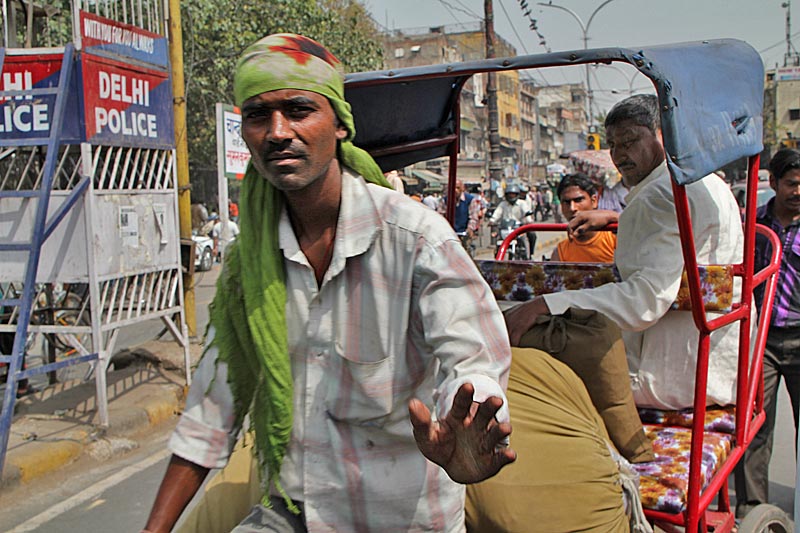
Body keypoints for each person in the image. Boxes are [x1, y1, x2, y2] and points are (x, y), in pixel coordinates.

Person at [142, 33, 514, 533]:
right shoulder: (249, 263)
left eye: (299, 110)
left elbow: (472, 358)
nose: (278, 132)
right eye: (258, 115)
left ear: (340, 125)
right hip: (292, 512)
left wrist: (466, 427)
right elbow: (212, 412)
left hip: (398, 521)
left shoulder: (416, 239)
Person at [504, 94, 744, 410]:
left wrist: (545, 305)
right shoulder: (706, 182)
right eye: (613, 145)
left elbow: (643, 302)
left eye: (630, 141)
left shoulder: (659, 196)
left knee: (533, 378)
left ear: (664, 135)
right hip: (718, 366)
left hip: (669, 378)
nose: (619, 155)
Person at [735, 148, 800, 518]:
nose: (798, 191)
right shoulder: (752, 224)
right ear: (773, 183)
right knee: (755, 424)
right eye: (792, 183)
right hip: (761, 340)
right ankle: (752, 509)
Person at [550, 173, 617, 263]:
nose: (572, 208)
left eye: (578, 200)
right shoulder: (560, 252)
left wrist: (611, 216)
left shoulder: (614, 239)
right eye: (566, 202)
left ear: (594, 201)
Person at [490, 183, 534, 258]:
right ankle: (498, 256)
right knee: (498, 239)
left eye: (513, 194)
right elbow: (497, 213)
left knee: (532, 235)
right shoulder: (503, 204)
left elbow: (527, 212)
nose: (511, 196)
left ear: (517, 195)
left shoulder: (522, 203)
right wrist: (492, 220)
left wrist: (529, 221)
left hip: (519, 228)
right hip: (506, 228)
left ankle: (529, 255)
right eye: (509, 194)